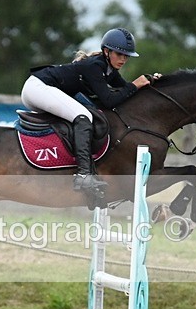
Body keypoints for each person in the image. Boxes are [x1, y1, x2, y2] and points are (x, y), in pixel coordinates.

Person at [21, 28, 160, 199]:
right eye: (119, 54)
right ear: (107, 51)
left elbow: (126, 92)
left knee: (83, 114)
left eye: (127, 56)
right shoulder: (95, 66)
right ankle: (84, 175)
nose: (123, 59)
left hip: (43, 88)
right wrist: (135, 84)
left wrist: (151, 82)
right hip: (38, 88)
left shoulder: (109, 70)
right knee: (83, 116)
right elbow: (111, 100)